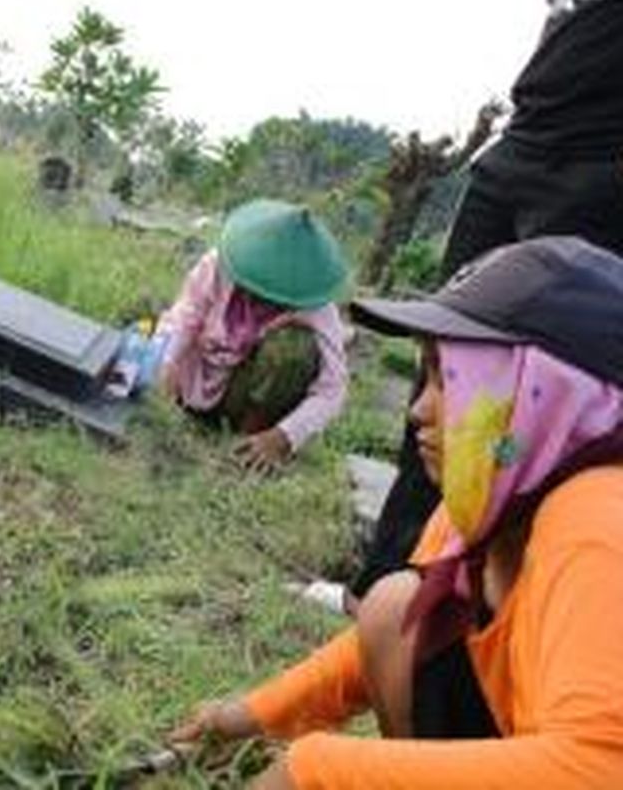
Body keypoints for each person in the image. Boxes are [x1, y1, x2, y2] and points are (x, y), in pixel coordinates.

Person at [170, 237, 623, 789]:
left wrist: (319, 772)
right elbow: (382, 643)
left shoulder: (601, 519)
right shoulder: (487, 506)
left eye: (448, 379)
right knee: (394, 610)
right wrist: (246, 718)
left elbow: (602, 769)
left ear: (544, 395)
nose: (417, 411)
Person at [353, 0, 623, 602]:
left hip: (599, 166)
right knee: (445, 363)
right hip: (520, 147)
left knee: (532, 399)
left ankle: (477, 597)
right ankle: (385, 580)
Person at [155, 199, 349, 474]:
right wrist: (167, 364)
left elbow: (333, 389)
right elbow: (185, 317)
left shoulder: (314, 303)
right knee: (163, 355)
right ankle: (182, 406)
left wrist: (283, 437)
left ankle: (247, 440)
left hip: (243, 394)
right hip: (193, 380)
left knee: (293, 347)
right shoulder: (220, 264)